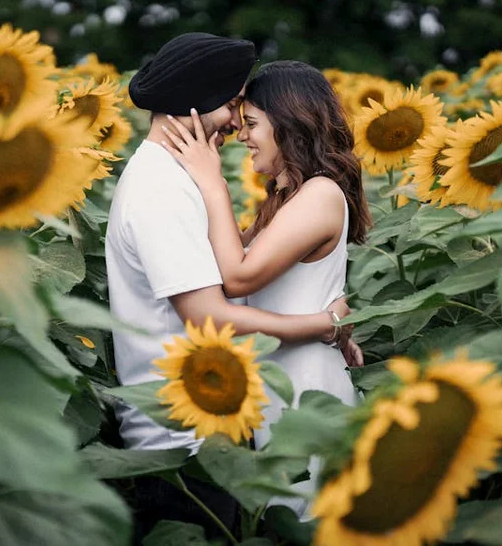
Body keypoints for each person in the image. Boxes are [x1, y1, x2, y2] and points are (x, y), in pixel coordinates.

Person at [107, 35, 354, 542]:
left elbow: (230, 280)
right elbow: (217, 307)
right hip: (184, 434)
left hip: (234, 418)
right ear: (198, 107)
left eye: (249, 114)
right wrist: (324, 324)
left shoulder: (186, 184)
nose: (237, 123)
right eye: (233, 105)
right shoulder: (163, 190)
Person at [158, 59, 372, 519]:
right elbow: (227, 268)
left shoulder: (320, 193)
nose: (241, 135)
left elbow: (238, 277)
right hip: (284, 377)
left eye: (252, 123)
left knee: (308, 515)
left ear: (291, 122)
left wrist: (210, 179)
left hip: (307, 385)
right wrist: (333, 322)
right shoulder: (287, 198)